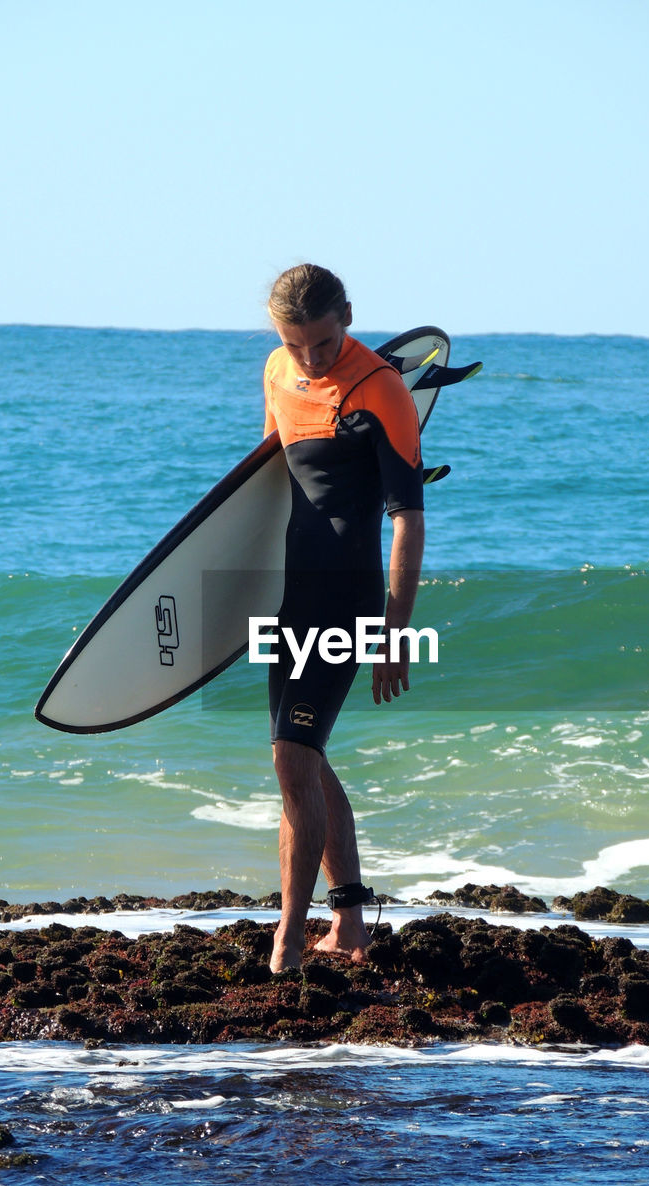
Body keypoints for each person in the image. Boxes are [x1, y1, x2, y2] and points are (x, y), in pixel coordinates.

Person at [263, 264, 425, 972]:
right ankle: (350, 923)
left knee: (291, 760)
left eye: (322, 344)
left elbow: (408, 521)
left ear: (348, 317)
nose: (309, 358)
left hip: (347, 593)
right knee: (303, 756)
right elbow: (267, 477)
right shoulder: (277, 369)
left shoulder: (380, 389)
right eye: (295, 344)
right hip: (293, 592)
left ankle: (288, 940)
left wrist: (395, 632)